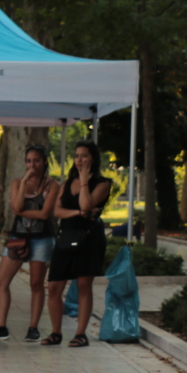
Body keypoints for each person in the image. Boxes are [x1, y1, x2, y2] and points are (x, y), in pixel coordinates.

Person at [0, 145, 59, 341]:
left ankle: (33, 328)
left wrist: (21, 212)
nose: (33, 165)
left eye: (37, 161)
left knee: (36, 283)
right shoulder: (17, 182)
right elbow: (15, 206)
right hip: (18, 237)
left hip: (42, 238)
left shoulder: (52, 185)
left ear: (45, 162)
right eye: (29, 161)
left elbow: (44, 214)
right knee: (1, 280)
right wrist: (24, 182)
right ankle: (0, 326)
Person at [43, 140, 112, 347]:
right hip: (66, 236)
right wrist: (78, 213)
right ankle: (56, 332)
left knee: (83, 285)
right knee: (54, 286)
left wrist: (83, 182)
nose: (80, 159)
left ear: (93, 159)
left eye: (84, 156)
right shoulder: (65, 183)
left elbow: (86, 203)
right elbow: (57, 212)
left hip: (89, 237)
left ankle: (80, 334)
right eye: (77, 156)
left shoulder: (103, 183)